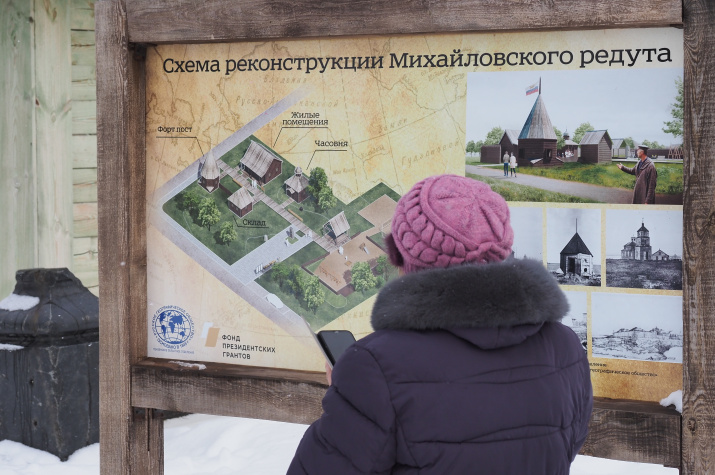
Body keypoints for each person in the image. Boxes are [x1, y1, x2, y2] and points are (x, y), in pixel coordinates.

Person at [288, 174, 593, 475]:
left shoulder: (374, 369)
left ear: (405, 258)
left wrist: (352, 400)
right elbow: (561, 447)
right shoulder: (566, 348)